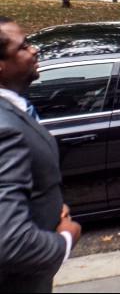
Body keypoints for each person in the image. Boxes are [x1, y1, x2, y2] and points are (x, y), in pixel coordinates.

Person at [0, 17, 81, 293]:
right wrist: (66, 240)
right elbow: (10, 241)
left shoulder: (14, 110)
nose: (34, 49)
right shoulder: (6, 130)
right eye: (22, 47)